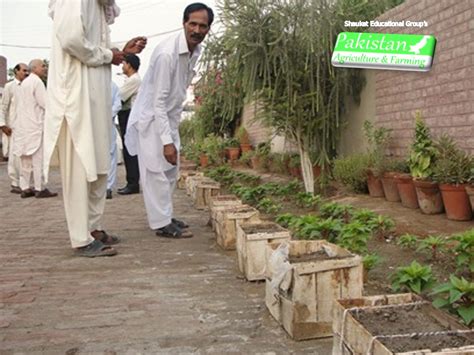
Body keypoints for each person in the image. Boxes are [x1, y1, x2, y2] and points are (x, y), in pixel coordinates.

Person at [44, 0, 146, 257]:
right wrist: (108, 55)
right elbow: (71, 41)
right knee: (80, 166)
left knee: (99, 164)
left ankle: (94, 228)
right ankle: (80, 237)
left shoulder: (98, 6)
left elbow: (94, 46)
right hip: (76, 97)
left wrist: (118, 53)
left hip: (96, 96)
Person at [126, 3, 213, 239]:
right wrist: (166, 141)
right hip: (154, 118)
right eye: (192, 24)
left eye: (202, 26)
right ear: (184, 23)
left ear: (208, 29)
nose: (196, 29)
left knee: (170, 171)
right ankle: (161, 223)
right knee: (156, 171)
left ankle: (166, 215)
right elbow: (159, 100)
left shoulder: (196, 50)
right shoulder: (167, 54)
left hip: (170, 115)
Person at [14, 59, 57, 199]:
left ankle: (25, 187)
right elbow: (45, 103)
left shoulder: (23, 83)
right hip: (35, 126)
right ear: (35, 68)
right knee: (38, 159)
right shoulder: (36, 82)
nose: (45, 68)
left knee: (25, 159)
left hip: (22, 126)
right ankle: (40, 187)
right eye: (43, 66)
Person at [0, 63, 29, 194]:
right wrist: (3, 125)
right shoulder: (9, 86)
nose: (26, 73)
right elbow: (3, 107)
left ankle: (26, 182)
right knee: (13, 157)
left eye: (27, 71)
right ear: (16, 71)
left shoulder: (28, 86)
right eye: (23, 70)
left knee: (25, 156)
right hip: (12, 128)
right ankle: (14, 183)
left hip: (26, 127)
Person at [117, 54, 141, 195]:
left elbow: (119, 97)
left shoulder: (134, 80)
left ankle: (133, 183)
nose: (122, 66)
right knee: (128, 150)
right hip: (127, 114)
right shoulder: (131, 80)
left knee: (129, 150)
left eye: (124, 63)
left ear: (129, 65)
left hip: (129, 115)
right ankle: (131, 182)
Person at [106, 81, 122, 199]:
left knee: (110, 154)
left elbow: (118, 104)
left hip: (106, 123)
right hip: (94, 124)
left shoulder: (113, 86)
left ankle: (108, 187)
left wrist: (107, 115)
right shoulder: (113, 85)